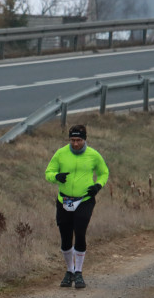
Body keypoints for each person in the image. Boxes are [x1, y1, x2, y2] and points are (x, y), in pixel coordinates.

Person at [45, 124, 109, 289]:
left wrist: (98, 186)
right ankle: (69, 271)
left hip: (85, 200)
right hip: (64, 200)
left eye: (78, 140)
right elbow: (48, 173)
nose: (75, 144)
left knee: (79, 232)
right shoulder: (61, 153)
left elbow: (104, 172)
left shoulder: (93, 155)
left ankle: (79, 272)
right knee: (65, 236)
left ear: (84, 139)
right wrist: (56, 177)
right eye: (72, 140)